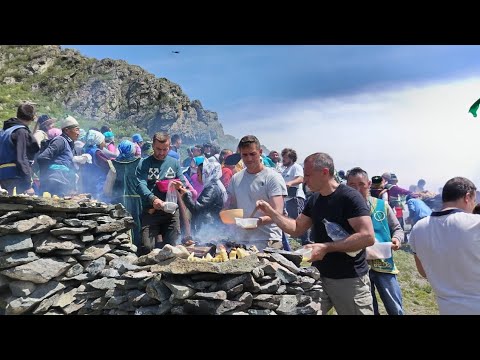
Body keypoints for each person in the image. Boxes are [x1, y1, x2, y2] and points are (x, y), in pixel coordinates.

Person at [255, 152, 375, 315]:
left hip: (349, 280)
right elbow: (297, 228)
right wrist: (271, 212)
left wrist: (325, 247)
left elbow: (367, 237)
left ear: (324, 173)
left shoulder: (349, 197)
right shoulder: (314, 200)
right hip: (318, 277)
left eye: (308, 175)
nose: (305, 180)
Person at [409, 177, 480, 315]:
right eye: (474, 200)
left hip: (447, 308)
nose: (474, 204)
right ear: (467, 197)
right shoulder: (475, 223)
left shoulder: (418, 228)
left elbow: (423, 272)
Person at [346, 167, 404, 315]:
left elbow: (397, 228)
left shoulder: (381, 205)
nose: (357, 189)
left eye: (361, 184)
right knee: (369, 309)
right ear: (346, 186)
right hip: (358, 267)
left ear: (369, 184)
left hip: (384, 263)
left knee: (395, 307)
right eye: (352, 185)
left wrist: (397, 239)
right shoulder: (344, 209)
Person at [226, 135, 287, 251]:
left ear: (260, 152)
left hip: (268, 240)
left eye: (252, 154)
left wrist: (257, 222)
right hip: (242, 240)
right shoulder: (235, 179)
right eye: (245, 155)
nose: (249, 159)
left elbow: (278, 212)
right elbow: (232, 206)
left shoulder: (273, 177)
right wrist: (226, 213)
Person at [135, 132, 186, 253]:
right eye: (158, 149)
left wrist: (180, 187)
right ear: (153, 146)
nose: (161, 152)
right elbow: (140, 184)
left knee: (172, 248)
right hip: (151, 211)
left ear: (169, 147)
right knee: (147, 248)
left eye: (165, 149)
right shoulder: (144, 163)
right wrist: (153, 199)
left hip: (171, 212)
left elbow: (182, 182)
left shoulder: (174, 163)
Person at [173, 157, 227, 237]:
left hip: (208, 227)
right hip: (209, 225)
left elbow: (196, 209)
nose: (197, 178)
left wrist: (186, 195)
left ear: (206, 174)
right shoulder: (213, 185)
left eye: (198, 174)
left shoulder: (211, 188)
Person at [104, 140, 142, 248]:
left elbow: (107, 187)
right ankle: (137, 248)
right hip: (137, 200)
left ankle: (124, 249)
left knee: (122, 225)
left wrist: (107, 197)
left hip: (118, 200)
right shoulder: (140, 162)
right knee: (137, 225)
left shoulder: (113, 164)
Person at [37, 115, 83, 196]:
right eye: (76, 130)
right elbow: (42, 157)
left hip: (63, 182)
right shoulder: (60, 141)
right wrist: (51, 170)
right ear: (67, 130)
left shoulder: (70, 145)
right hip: (54, 182)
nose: (78, 133)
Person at [0, 103, 39, 195]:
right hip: (16, 176)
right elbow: (21, 158)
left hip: (3, 176)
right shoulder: (21, 132)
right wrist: (27, 184)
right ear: (32, 117)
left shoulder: (5, 131)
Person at [281, 147, 308, 245]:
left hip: (295, 198)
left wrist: (289, 183)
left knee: (299, 221)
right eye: (283, 157)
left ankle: (305, 242)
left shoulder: (296, 167)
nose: (283, 159)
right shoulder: (285, 170)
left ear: (291, 158)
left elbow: (300, 179)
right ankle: (296, 242)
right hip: (287, 199)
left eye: (285, 157)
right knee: (291, 221)